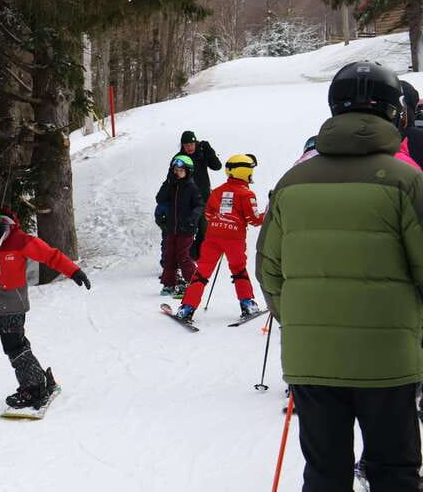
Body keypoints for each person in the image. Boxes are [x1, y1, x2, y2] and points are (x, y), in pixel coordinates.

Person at [256, 61, 423, 491]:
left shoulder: (293, 182)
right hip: (390, 359)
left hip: (313, 362)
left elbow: (269, 270)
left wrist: (301, 320)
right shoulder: (407, 181)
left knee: (324, 473)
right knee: (394, 472)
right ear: (394, 113)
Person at [0, 194, 91, 409]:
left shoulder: (19, 241)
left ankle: (35, 388)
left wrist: (74, 271)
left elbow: (50, 256)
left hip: (12, 305)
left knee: (15, 347)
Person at [175, 154, 264, 322]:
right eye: (251, 170)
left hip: (213, 237)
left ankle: (186, 309)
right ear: (244, 171)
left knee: (201, 273)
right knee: (238, 270)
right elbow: (254, 220)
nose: (252, 173)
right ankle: (248, 305)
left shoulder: (217, 191)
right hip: (234, 240)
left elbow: (208, 213)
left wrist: (220, 222)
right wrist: (270, 211)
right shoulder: (246, 194)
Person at [156, 155, 204, 297]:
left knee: (183, 256)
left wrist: (192, 219)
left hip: (186, 230)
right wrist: (168, 181)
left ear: (188, 172)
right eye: (175, 170)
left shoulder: (191, 188)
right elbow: (159, 198)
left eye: (181, 170)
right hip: (172, 229)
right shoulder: (171, 185)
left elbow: (200, 205)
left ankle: (194, 283)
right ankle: (169, 284)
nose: (177, 173)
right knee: (169, 256)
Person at [172, 130, 222, 260]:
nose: (189, 147)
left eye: (191, 144)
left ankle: (197, 255)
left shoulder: (202, 153)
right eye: (186, 145)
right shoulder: (179, 159)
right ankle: (187, 255)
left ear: (196, 143)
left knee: (204, 228)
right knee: (188, 230)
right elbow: (172, 179)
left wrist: (209, 152)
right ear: (182, 145)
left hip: (204, 199)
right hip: (187, 201)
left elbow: (217, 166)